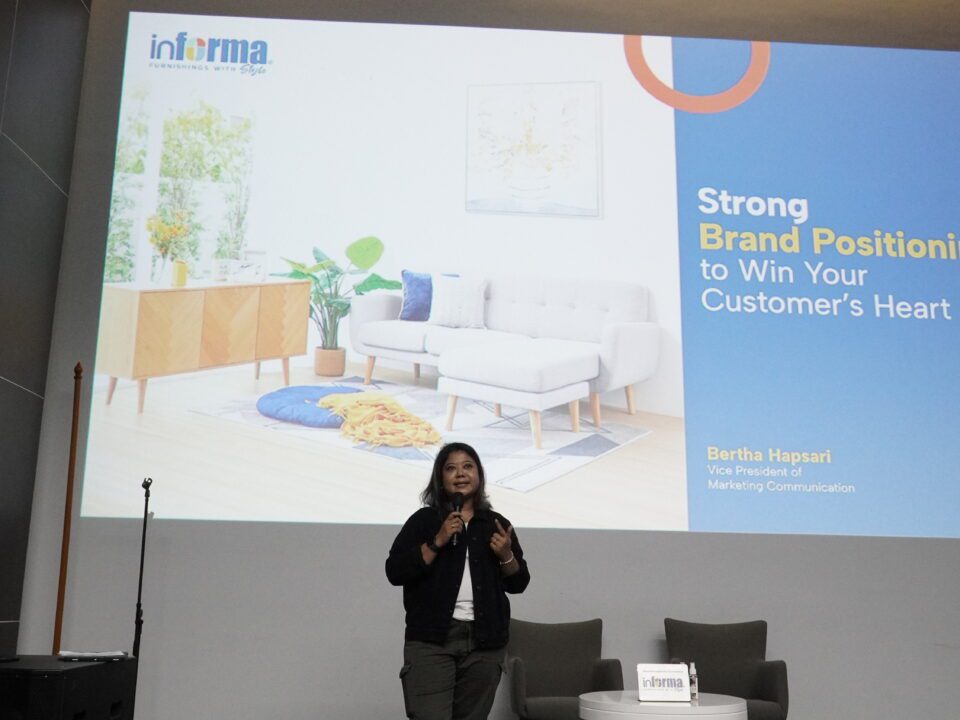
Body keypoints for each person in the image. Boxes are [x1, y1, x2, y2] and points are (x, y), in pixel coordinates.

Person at [386, 442, 531, 720]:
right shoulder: (424, 521)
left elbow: (519, 583)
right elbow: (395, 571)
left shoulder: (496, 523)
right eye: (451, 468)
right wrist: (437, 541)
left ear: (479, 475)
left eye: (468, 466)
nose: (460, 473)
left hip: (485, 640)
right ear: (440, 479)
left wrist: (506, 555)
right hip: (432, 640)